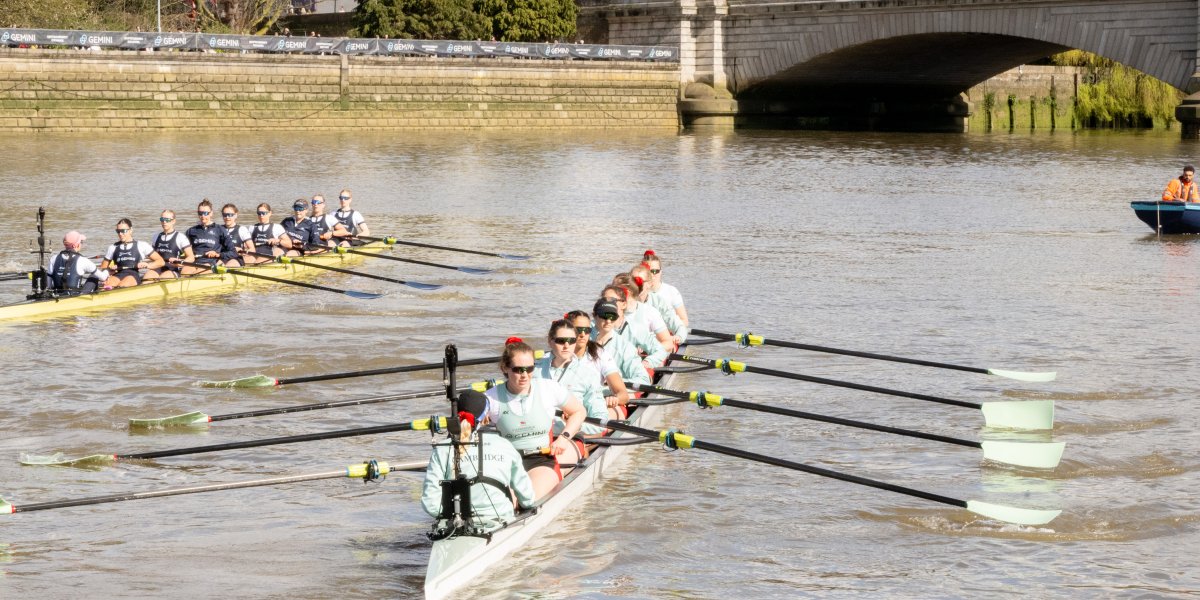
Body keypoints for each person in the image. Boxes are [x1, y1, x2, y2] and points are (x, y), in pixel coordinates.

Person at [483, 338, 587, 500]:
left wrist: (564, 438)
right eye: (518, 370)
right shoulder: (491, 398)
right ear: (505, 368)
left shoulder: (548, 388)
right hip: (506, 462)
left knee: (528, 498)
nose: (525, 375)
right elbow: (468, 429)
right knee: (504, 500)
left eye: (529, 369)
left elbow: (579, 411)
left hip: (541, 459)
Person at [420, 390, 536, 531]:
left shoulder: (442, 449)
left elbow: (430, 504)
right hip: (501, 522)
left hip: (455, 524)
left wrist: (449, 516)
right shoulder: (505, 445)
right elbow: (528, 499)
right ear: (486, 418)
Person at [534, 319, 608, 438]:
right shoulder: (532, 371)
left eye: (572, 341)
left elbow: (601, 422)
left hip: (566, 437)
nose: (566, 346)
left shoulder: (588, 375)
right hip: (532, 433)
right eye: (561, 341)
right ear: (550, 341)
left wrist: (574, 424)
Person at [566, 310, 631, 418]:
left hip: (593, 408)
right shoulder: (557, 355)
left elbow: (624, 395)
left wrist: (615, 399)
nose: (582, 334)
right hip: (566, 409)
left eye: (587, 330)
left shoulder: (600, 354)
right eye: (578, 330)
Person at [601, 283, 669, 372]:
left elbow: (660, 351)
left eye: (612, 300)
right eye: (604, 301)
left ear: (624, 304)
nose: (608, 304)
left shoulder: (636, 328)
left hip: (628, 375)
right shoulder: (592, 328)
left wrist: (647, 363)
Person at [589, 298, 652, 392]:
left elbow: (643, 380)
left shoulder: (625, 347)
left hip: (609, 394)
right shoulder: (581, 339)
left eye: (612, 316)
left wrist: (613, 383)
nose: (608, 321)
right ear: (594, 316)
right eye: (604, 316)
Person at [629, 263, 686, 345]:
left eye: (639, 282)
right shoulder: (623, 302)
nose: (636, 286)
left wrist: (679, 337)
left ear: (649, 284)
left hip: (656, 344)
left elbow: (679, 326)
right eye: (633, 281)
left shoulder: (659, 302)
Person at [99, 219, 164, 288]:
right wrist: (109, 270)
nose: (120, 234)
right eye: (118, 231)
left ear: (131, 230)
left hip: (133, 276)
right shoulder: (113, 247)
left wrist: (147, 265)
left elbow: (160, 261)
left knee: (123, 285)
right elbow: (103, 267)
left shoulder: (142, 245)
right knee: (106, 285)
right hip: (118, 274)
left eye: (123, 231)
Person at [182, 199, 238, 275]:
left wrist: (217, 254)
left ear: (211, 213)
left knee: (198, 273)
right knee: (184, 272)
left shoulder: (220, 230)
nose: (203, 216)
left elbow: (233, 253)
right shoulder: (191, 231)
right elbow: (183, 252)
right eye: (200, 213)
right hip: (194, 262)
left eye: (205, 213)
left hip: (210, 263)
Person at [641, 249, 688, 328]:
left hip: (668, 335)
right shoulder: (638, 292)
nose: (652, 275)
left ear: (661, 271)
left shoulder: (671, 291)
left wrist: (667, 333)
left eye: (655, 271)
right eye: (648, 271)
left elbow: (684, 321)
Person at [148, 209, 193, 279]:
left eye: (167, 220)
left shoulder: (181, 237)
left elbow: (191, 258)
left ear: (173, 221)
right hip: (158, 267)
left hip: (173, 269)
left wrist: (181, 262)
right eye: (162, 219)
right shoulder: (156, 236)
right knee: (147, 276)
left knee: (162, 278)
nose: (164, 222)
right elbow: (152, 257)